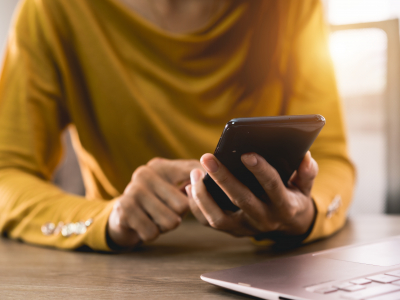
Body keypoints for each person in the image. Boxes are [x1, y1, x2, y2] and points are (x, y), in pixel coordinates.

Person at [0, 0, 354, 251]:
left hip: (270, 259)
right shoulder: (52, 10)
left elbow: (330, 159)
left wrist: (304, 213)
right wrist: (105, 219)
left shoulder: (291, 6)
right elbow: (7, 173)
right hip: (128, 266)